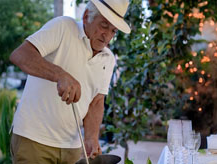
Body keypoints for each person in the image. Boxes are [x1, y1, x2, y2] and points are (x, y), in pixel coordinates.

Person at [9, 0, 131, 163]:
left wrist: (91, 137)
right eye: (103, 25)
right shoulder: (63, 27)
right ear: (87, 16)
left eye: (113, 31)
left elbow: (96, 101)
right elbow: (20, 55)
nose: (107, 35)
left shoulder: (108, 59)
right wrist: (60, 74)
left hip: (72, 147)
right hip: (34, 140)